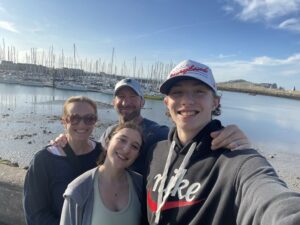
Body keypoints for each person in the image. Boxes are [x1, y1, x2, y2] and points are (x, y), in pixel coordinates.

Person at [146, 59, 300, 225]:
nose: (187, 101)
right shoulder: (156, 151)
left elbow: (270, 198)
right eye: (177, 92)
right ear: (166, 102)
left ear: (215, 102)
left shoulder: (236, 161)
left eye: (199, 91)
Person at [99, 78, 251, 175]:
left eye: (133, 97)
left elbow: (192, 143)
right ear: (113, 102)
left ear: (142, 102)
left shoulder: (159, 134)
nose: (126, 102)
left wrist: (230, 137)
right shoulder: (108, 133)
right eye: (121, 97)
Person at [23, 96, 102, 225]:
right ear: (64, 121)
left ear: (95, 121)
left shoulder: (102, 154)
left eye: (89, 119)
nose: (82, 124)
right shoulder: (44, 160)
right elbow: (35, 214)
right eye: (74, 118)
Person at [60, 122, 146, 225]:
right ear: (108, 142)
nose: (126, 149)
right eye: (122, 140)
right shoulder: (79, 190)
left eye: (134, 146)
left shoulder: (141, 185)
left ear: (137, 155)